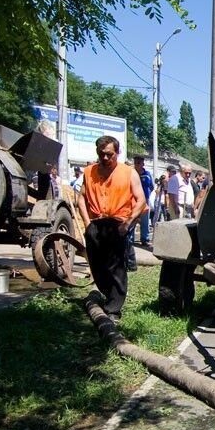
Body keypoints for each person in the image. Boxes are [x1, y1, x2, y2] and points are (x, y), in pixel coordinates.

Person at [77, 135, 146, 322]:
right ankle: (107, 294)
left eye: (109, 154)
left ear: (117, 152)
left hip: (117, 224)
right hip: (96, 224)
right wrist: (87, 223)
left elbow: (141, 200)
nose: (105, 158)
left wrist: (127, 224)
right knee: (97, 265)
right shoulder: (89, 171)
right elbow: (81, 197)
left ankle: (114, 308)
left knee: (115, 267)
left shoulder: (129, 173)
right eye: (102, 154)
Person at [133, 157, 153, 245]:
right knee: (133, 219)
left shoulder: (147, 174)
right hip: (133, 200)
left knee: (145, 221)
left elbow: (151, 187)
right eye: (136, 162)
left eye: (139, 163)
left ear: (143, 164)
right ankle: (130, 239)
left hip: (145, 200)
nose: (137, 164)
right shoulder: (131, 174)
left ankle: (145, 239)